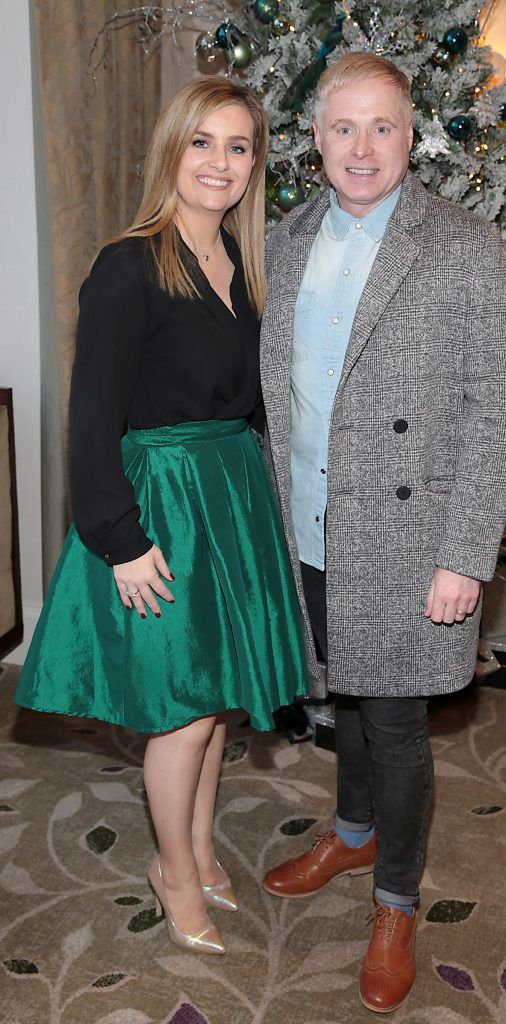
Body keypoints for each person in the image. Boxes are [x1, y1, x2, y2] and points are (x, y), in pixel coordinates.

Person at [15, 76, 308, 956]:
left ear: (256, 165)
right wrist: (121, 539)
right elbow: (90, 415)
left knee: (217, 703)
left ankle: (201, 847)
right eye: (203, 143)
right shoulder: (129, 263)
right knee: (181, 706)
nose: (221, 163)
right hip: (162, 503)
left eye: (240, 146)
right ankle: (172, 871)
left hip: (231, 494)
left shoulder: (245, 265)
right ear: (172, 151)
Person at [260, 52, 506, 1013]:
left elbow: (498, 407)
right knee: (353, 698)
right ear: (317, 137)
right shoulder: (285, 239)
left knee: (400, 721)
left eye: (383, 128)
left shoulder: (460, 245)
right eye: (343, 128)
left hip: (413, 541)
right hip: (312, 521)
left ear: (412, 136)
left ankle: (394, 900)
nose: (362, 148)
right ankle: (353, 827)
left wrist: (466, 553)